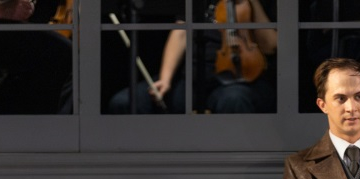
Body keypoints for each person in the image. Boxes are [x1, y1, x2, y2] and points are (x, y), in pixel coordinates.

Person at [107, 0, 277, 114]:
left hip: (240, 79)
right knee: (125, 102)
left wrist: (252, 4)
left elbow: (271, 46)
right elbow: (180, 32)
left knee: (233, 100)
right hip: (192, 78)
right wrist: (166, 78)